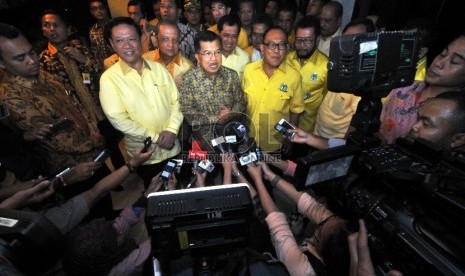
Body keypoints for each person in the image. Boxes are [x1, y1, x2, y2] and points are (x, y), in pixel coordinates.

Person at [100, 17, 183, 187]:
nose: (127, 46)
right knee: (154, 194)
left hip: (173, 146)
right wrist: (156, 137)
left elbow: (177, 101)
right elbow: (119, 119)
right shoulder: (109, 79)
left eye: (132, 39)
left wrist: (172, 129)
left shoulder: (158, 69)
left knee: (178, 189)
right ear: (111, 44)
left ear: (141, 39)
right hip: (146, 154)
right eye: (119, 41)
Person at [246, 161, 351, 275]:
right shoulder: (337, 228)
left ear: (321, 249)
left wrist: (257, 179)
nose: (325, 218)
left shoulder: (302, 270)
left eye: (320, 228)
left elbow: (276, 221)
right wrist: (271, 176)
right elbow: (309, 205)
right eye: (331, 218)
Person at [379, 34, 465, 144]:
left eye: (455, 62)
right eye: (442, 54)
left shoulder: (457, 115)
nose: (438, 63)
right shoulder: (405, 87)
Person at [178, 30, 245, 152]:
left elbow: (241, 103)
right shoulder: (188, 80)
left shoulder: (232, 76)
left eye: (217, 52)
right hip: (203, 147)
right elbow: (188, 114)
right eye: (207, 53)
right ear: (198, 57)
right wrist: (216, 118)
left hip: (230, 142)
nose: (214, 59)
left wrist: (231, 113)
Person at [242, 27, 304, 153]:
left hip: (275, 144)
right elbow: (243, 103)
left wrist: (289, 137)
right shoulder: (249, 71)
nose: (276, 50)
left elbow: (296, 111)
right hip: (248, 139)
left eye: (281, 45)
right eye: (271, 45)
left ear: (287, 49)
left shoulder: (294, 77)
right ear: (262, 48)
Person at [313, 18, 374, 139]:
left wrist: (341, 151)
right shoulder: (339, 66)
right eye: (345, 39)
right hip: (317, 136)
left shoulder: (364, 82)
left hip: (332, 148)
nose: (347, 45)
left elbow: (355, 127)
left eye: (354, 40)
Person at [286, 16, 328, 134]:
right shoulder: (287, 59)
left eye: (308, 40)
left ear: (317, 40)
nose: (302, 45)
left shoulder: (325, 66)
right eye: (298, 40)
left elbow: (326, 102)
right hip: (282, 125)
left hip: (307, 130)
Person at [217, 15, 250, 79]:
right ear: (218, 33)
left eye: (234, 36)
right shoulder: (209, 55)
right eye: (226, 35)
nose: (230, 40)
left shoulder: (245, 58)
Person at [89, 0, 114, 71]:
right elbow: (95, 53)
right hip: (105, 69)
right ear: (91, 12)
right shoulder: (92, 31)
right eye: (95, 9)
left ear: (106, 9)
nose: (99, 11)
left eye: (101, 7)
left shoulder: (115, 25)